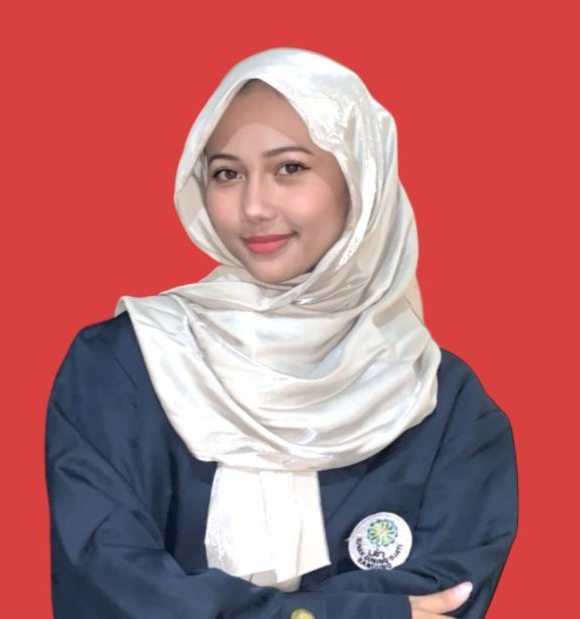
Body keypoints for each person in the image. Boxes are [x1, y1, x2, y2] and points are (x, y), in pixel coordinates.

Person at [45, 48, 517, 619]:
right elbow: (107, 587)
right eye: (226, 173)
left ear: (361, 180)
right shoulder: (125, 363)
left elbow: (446, 602)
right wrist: (353, 613)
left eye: (290, 168)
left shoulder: (444, 403)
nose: (253, 206)